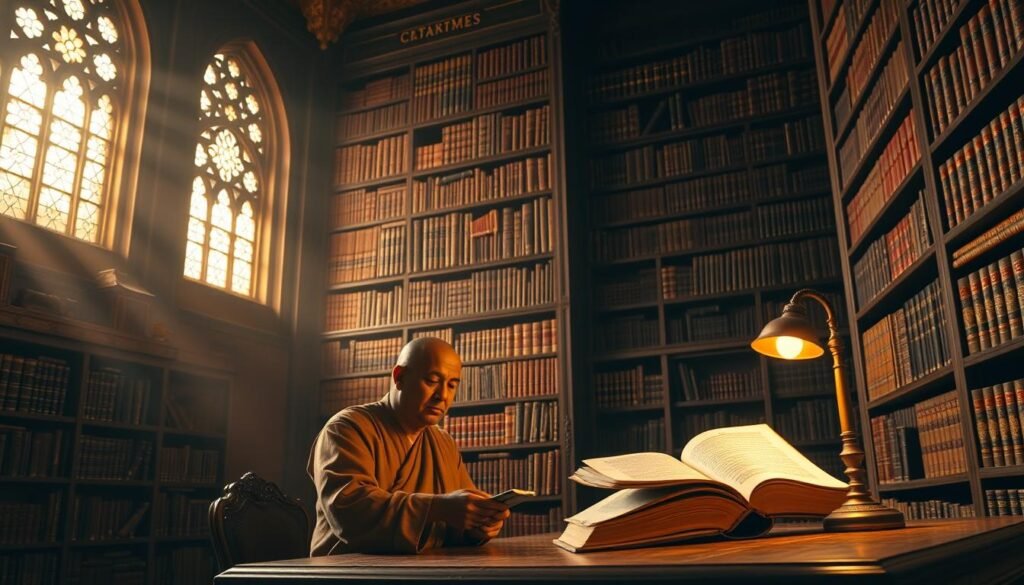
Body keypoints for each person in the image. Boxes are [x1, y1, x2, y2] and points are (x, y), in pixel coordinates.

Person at [308, 337, 510, 555]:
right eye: (432, 381)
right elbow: (349, 510)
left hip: (425, 565)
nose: (442, 395)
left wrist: (480, 525)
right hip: (347, 566)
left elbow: (459, 517)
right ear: (400, 377)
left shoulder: (443, 443)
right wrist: (438, 508)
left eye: (452, 385)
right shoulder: (347, 428)